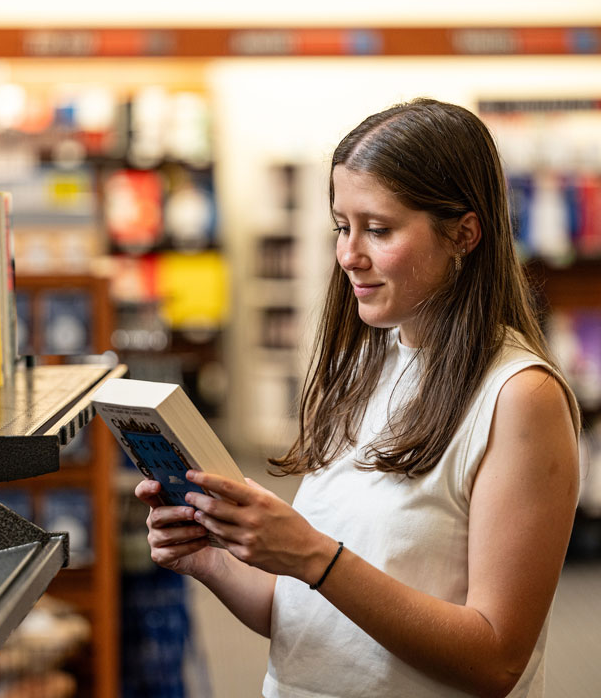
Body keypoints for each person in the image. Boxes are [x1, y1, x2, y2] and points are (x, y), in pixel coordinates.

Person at [135, 98, 580, 697]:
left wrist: (313, 555)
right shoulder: (364, 367)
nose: (349, 254)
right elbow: (312, 625)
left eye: (380, 229)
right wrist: (212, 558)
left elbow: (496, 660)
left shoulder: (520, 397)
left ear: (464, 234)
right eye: (343, 227)